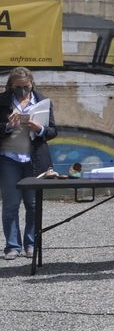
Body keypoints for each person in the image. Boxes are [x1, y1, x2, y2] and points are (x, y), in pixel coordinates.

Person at [2, 68, 58, 261]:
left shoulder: (43, 101)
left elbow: (53, 131)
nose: (23, 91)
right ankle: (12, 246)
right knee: (11, 204)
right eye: (18, 87)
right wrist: (8, 126)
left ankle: (31, 245)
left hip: (35, 161)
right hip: (9, 159)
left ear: (32, 84)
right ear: (11, 86)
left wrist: (40, 128)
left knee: (33, 205)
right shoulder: (2, 101)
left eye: (26, 86)